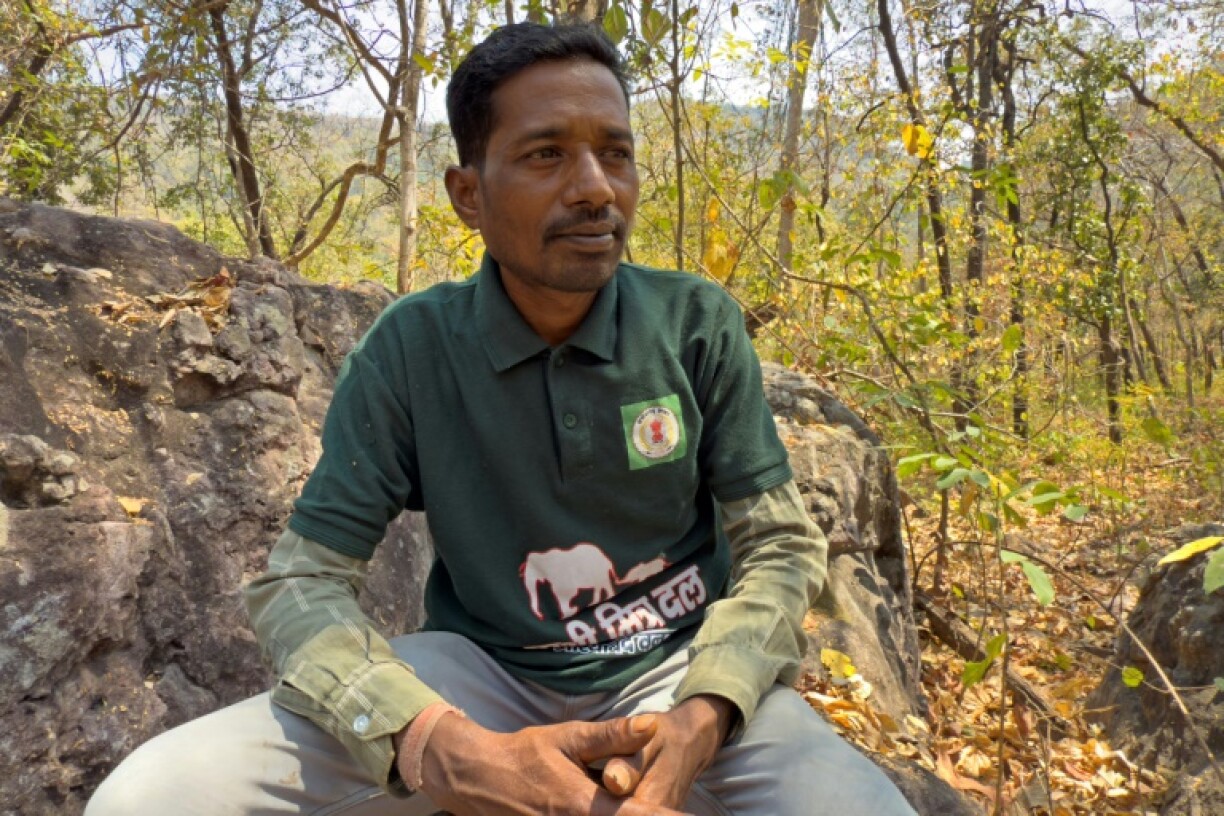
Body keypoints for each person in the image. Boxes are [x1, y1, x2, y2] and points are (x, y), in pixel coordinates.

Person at [88, 22, 915, 816]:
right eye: (546, 153)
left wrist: (710, 708)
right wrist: (433, 743)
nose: (595, 188)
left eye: (615, 153)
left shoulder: (695, 325)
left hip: (682, 673)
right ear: (466, 195)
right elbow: (300, 584)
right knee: (146, 799)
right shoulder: (410, 350)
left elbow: (779, 543)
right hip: (477, 679)